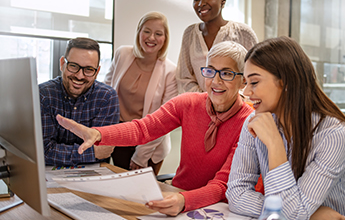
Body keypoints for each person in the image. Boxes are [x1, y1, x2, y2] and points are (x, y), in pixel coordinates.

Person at [56, 41, 253, 216]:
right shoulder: (188, 103)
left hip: (218, 209)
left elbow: (221, 185)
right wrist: (99, 134)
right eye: (210, 70)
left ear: (243, 80)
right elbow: (143, 129)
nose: (216, 81)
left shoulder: (248, 122)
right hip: (177, 196)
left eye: (226, 73)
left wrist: (185, 201)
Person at [226, 36, 345, 220]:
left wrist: (274, 143)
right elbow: (236, 194)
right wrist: (311, 215)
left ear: (286, 82)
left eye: (254, 82)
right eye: (246, 83)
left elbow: (293, 214)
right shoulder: (255, 122)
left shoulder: (334, 135)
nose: (247, 92)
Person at [104, 11, 178, 174]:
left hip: (150, 144)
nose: (151, 38)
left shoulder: (171, 71)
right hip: (120, 136)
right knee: (118, 192)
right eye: (147, 31)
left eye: (158, 34)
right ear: (139, 32)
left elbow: (164, 120)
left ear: (165, 39)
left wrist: (141, 155)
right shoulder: (122, 54)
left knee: (142, 196)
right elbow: (105, 93)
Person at [39, 37, 119, 166]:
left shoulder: (107, 97)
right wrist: (91, 153)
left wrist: (61, 152)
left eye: (88, 69)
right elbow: (43, 151)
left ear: (97, 72)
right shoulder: (43, 95)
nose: (80, 76)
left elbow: (103, 152)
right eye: (73, 66)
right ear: (62, 64)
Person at [176, 0, 258, 93]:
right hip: (198, 107)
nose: (201, 4)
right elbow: (184, 78)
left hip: (236, 108)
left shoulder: (243, 33)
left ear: (223, 0)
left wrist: (228, 101)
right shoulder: (190, 34)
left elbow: (254, 76)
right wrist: (205, 100)